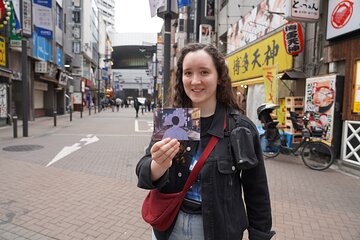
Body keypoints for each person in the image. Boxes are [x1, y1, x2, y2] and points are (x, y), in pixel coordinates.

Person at [136, 43, 274, 240]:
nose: (195, 81)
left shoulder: (239, 127)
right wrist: (157, 165)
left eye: (204, 72)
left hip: (218, 230)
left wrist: (259, 235)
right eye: (188, 73)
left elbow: (257, 191)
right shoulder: (176, 119)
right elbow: (143, 168)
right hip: (169, 227)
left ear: (219, 77)